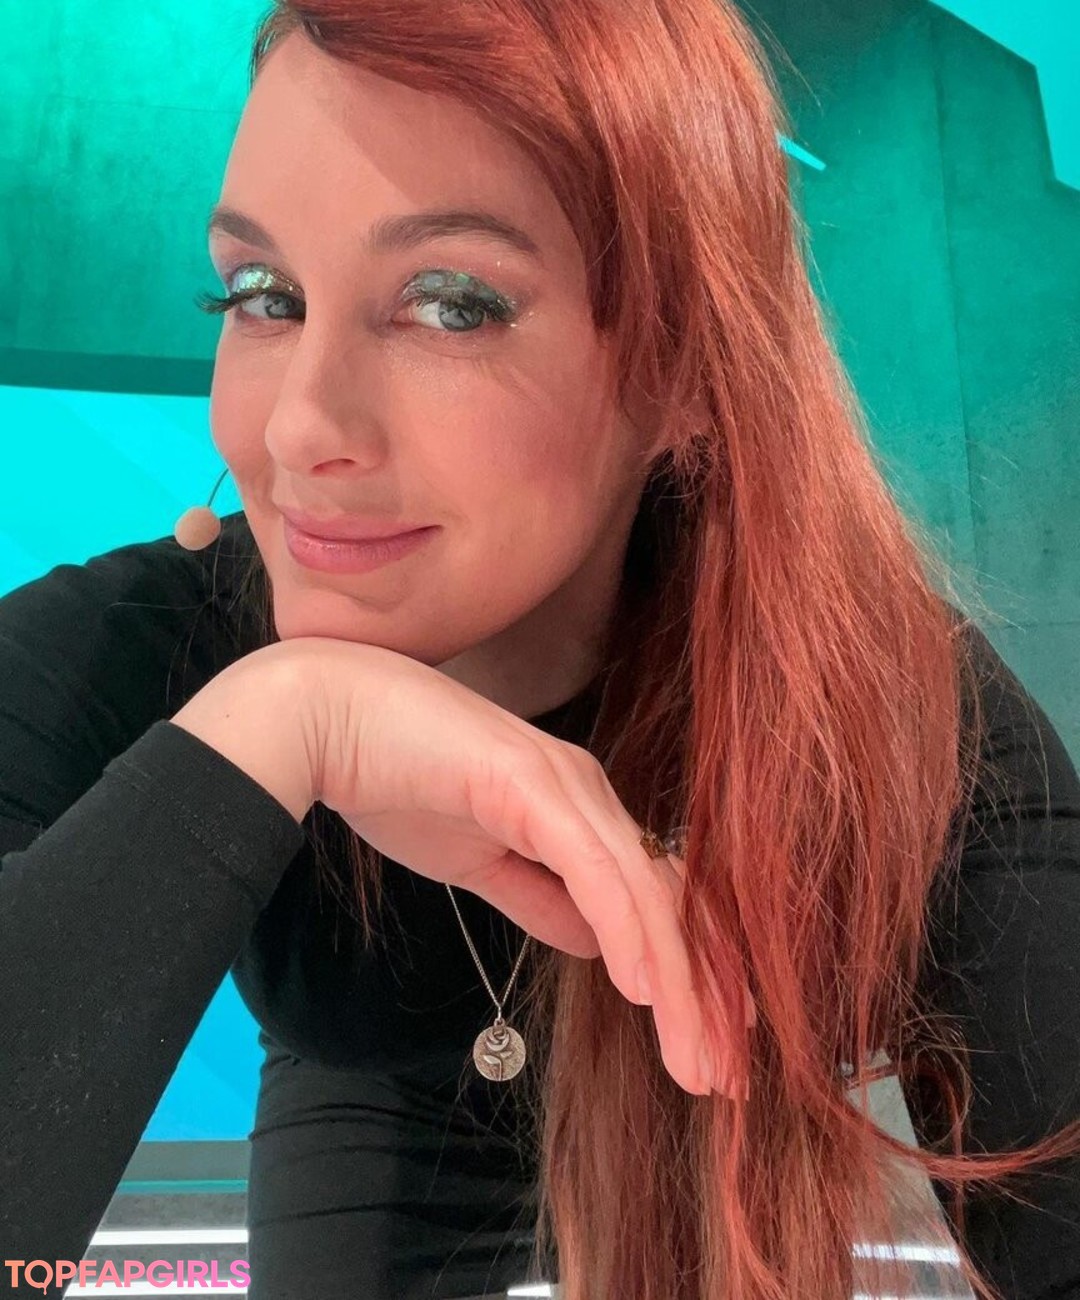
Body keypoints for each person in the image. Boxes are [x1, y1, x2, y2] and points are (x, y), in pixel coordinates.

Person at [2, 3, 1079, 1299]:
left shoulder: (890, 715)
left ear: (684, 372)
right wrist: (274, 732)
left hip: (696, 1098)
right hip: (370, 1085)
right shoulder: (142, 646)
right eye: (263, 295)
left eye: (450, 304)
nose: (297, 430)